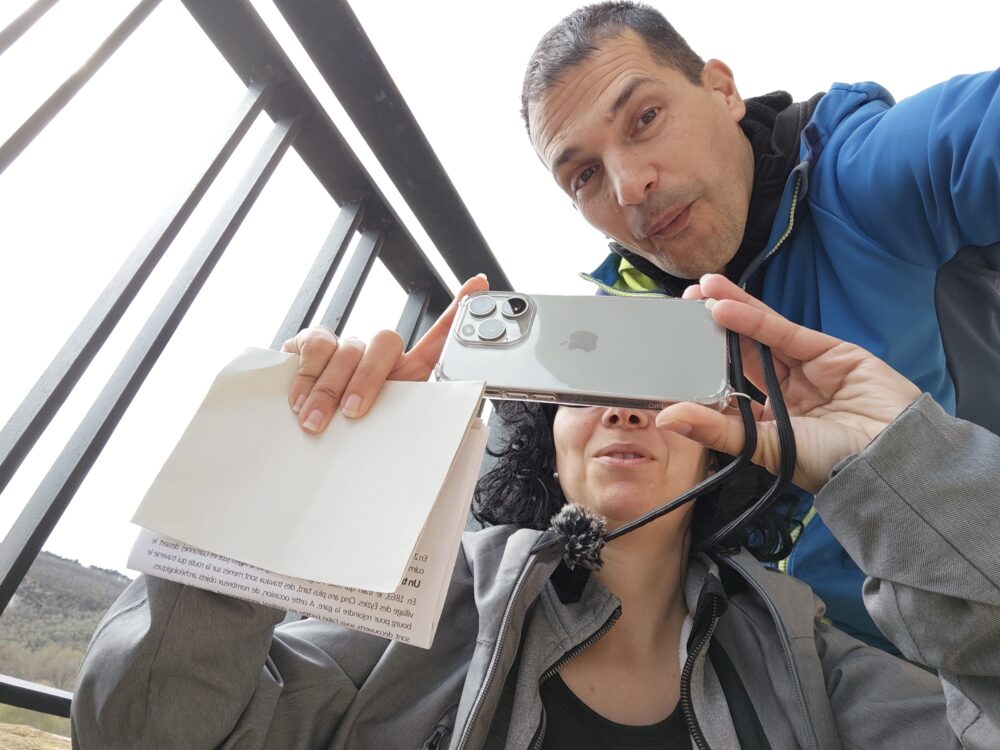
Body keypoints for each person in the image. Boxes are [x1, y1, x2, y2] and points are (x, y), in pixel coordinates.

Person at [285, 2, 1000, 650]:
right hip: (791, 688)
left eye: (645, 118)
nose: (629, 186)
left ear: (722, 88)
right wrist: (363, 461)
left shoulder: (867, 176)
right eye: (584, 177)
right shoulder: (609, 348)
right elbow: (480, 574)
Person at [72, 275, 1000, 748]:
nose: (625, 409)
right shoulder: (414, 628)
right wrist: (280, 472)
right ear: (544, 438)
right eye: (589, 383)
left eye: (657, 379)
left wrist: (905, 462)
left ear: (722, 437)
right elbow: (148, 733)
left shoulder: (810, 668)